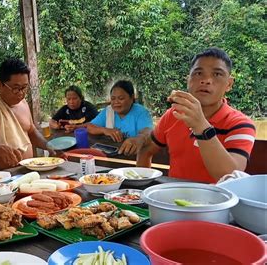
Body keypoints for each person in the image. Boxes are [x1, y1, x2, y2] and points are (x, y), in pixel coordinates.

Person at [137, 47, 256, 183]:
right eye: (198, 73)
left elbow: (230, 177)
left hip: (215, 202)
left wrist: (200, 126)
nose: (206, 80)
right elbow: (146, 149)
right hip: (172, 199)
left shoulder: (240, 124)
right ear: (188, 80)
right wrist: (142, 185)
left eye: (217, 74)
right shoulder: (174, 115)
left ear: (229, 84)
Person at [0, 58, 56, 170]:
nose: (21, 93)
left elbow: (31, 131)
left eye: (24, 88)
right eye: (16, 88)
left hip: (25, 171)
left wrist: (49, 146)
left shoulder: (23, 103)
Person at [85, 80, 153, 156]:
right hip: (113, 155)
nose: (116, 102)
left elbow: (148, 131)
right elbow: (90, 127)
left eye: (121, 98)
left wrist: (140, 139)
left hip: (135, 156)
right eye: (113, 99)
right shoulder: (108, 111)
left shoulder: (141, 112)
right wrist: (105, 130)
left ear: (132, 97)